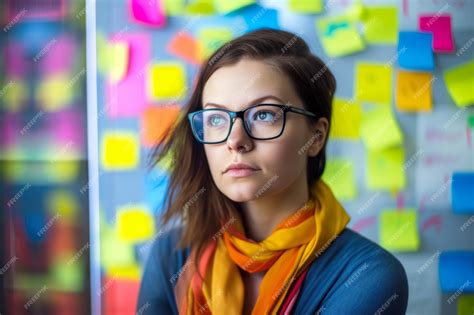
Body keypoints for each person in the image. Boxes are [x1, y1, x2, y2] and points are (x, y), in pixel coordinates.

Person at [137, 28, 408, 315]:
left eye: (264, 114)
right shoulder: (171, 255)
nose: (235, 141)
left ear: (315, 137)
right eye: (216, 118)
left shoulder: (368, 275)